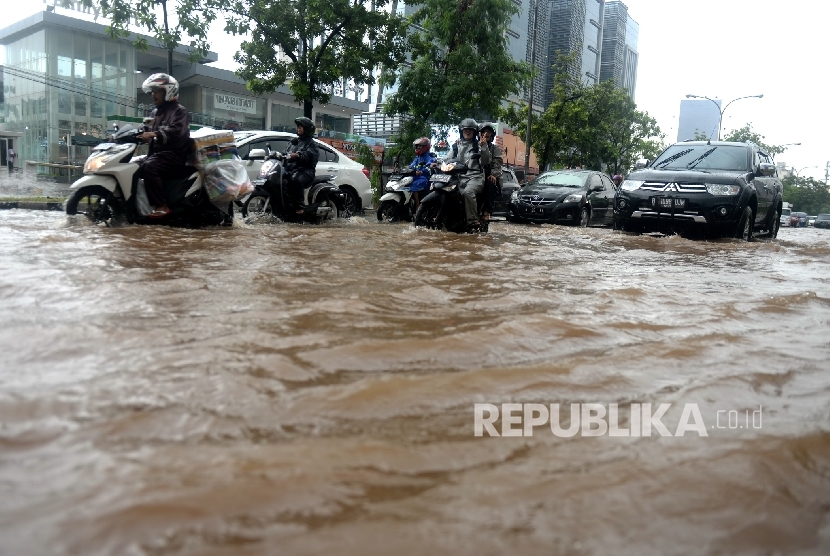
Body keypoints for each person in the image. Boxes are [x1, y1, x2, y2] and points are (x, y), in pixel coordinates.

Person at [138, 73, 191, 218]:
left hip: (174, 156)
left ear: (168, 91)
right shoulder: (155, 112)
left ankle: (162, 205)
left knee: (150, 167)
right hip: (156, 155)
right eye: (152, 91)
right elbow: (145, 128)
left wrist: (155, 134)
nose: (153, 95)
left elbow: (176, 131)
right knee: (132, 165)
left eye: (157, 91)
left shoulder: (180, 111)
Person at [447, 118, 489, 232]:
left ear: (474, 132)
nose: (468, 131)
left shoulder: (479, 145)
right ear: (461, 131)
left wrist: (484, 147)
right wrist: (436, 163)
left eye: (470, 130)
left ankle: (472, 221)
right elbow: (447, 159)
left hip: (475, 177)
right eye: (465, 129)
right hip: (459, 177)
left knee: (467, 192)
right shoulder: (456, 145)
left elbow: (486, 162)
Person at [282, 116, 319, 214]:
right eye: (298, 127)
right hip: (292, 169)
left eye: (300, 127)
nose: (298, 129)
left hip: (306, 171)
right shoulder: (294, 142)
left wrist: (299, 155)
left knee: (295, 179)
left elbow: (310, 155)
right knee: (281, 179)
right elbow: (285, 152)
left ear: (307, 129)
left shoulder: (312, 144)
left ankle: (300, 208)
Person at [478, 122, 503, 223]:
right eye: (484, 131)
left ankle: (486, 212)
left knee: (490, 183)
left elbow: (497, 163)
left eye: (489, 132)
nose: (486, 134)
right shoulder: (474, 145)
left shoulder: (495, 149)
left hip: (489, 174)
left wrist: (493, 174)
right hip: (473, 174)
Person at [408, 137, 436, 215]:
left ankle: (418, 206)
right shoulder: (417, 158)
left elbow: (429, 167)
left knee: (413, 187)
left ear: (426, 146)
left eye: (420, 146)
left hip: (425, 178)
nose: (418, 148)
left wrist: (422, 171)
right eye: (417, 146)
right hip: (415, 177)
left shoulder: (430, 157)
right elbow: (411, 166)